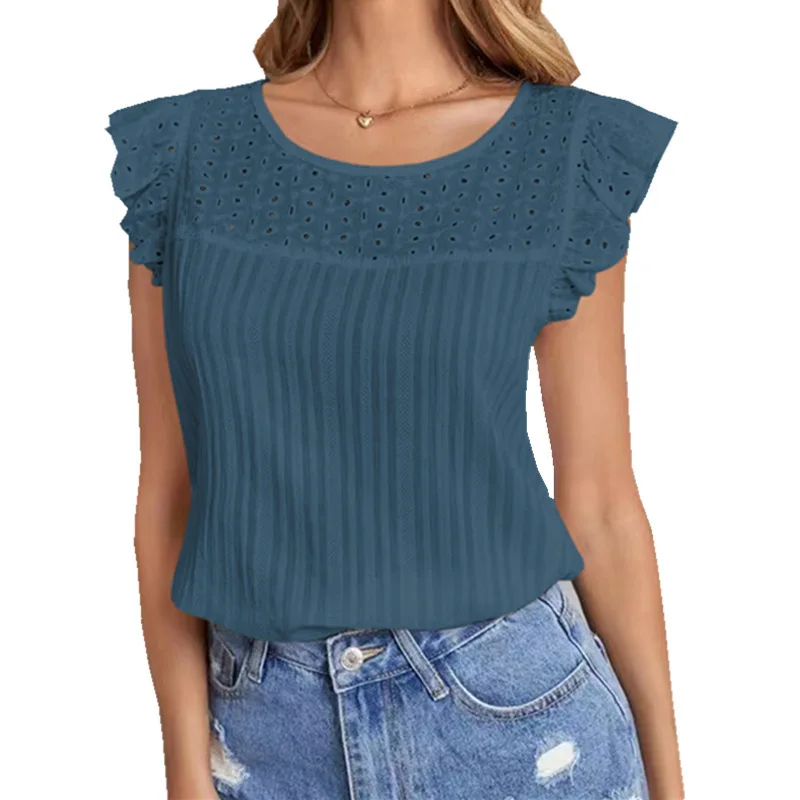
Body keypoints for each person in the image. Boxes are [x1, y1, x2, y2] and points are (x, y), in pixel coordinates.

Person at [106, 1, 683, 798]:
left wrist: (670, 784)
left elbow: (603, 504)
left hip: (519, 726)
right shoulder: (188, 155)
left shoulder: (562, 154)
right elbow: (168, 497)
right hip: (264, 738)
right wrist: (184, 767)